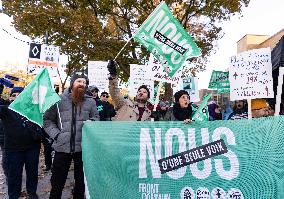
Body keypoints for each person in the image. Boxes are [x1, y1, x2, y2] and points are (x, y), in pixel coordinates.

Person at [43, 73, 99, 199]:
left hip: (83, 148)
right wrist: (57, 135)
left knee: (81, 183)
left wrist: (93, 122)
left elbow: (96, 118)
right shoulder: (57, 100)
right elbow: (47, 121)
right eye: (79, 81)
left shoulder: (91, 102)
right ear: (72, 83)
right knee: (57, 182)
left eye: (85, 83)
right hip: (62, 147)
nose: (82, 84)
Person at [0, 87, 42, 199]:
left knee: (32, 174)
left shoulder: (33, 110)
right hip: (13, 150)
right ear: (9, 98)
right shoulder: (5, 110)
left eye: (20, 95)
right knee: (14, 176)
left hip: (32, 148)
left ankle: (32, 194)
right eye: (14, 95)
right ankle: (14, 196)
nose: (17, 97)